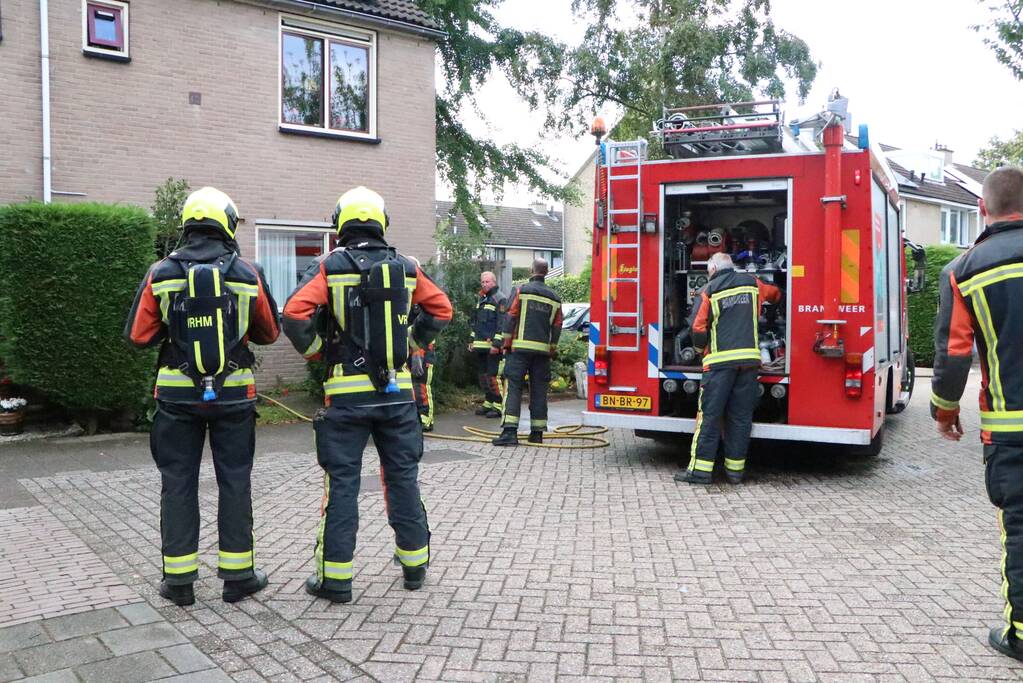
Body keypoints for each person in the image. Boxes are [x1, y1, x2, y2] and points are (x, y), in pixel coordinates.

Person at [282, 186, 452, 604]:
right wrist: (410, 345)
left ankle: (335, 580)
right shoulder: (407, 267)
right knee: (403, 479)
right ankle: (414, 566)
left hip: (345, 398)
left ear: (341, 223)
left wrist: (319, 352)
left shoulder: (329, 266)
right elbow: (442, 309)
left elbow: (293, 314)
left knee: (342, 485)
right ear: (381, 222)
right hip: (397, 398)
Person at [125, 186, 280, 606]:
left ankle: (179, 583)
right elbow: (269, 333)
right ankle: (238, 577)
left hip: (176, 396)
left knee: (177, 483)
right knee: (234, 481)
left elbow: (138, 336)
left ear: (188, 225)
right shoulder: (248, 273)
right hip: (233, 394)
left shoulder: (161, 272)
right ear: (227, 223)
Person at [930, 166, 1023, 660]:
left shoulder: (965, 269)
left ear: (982, 209)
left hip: (1013, 433)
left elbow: (953, 353)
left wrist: (945, 411)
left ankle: (1021, 635)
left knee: (1021, 527)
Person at [676, 252, 781, 485]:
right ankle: (735, 472)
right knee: (741, 417)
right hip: (750, 363)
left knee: (710, 417)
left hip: (719, 364)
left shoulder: (709, 290)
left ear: (712, 269)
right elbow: (775, 294)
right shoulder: (753, 283)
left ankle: (700, 471)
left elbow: (698, 328)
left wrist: (699, 349)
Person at [492, 259, 562, 446]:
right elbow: (557, 326)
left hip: (519, 351)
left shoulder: (520, 290)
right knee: (539, 390)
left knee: (513, 387)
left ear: (531, 270)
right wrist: (552, 348)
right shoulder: (554, 297)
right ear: (546, 272)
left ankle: (509, 433)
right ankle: (537, 433)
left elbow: (511, 316)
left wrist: (506, 344)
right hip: (542, 354)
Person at [469, 271, 506, 418]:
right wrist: (471, 340)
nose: (484, 284)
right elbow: (475, 322)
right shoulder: (482, 299)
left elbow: (502, 324)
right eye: (482, 282)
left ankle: (498, 405)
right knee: (483, 376)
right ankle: (489, 401)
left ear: (494, 282)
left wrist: (497, 344)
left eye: (487, 282)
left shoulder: (500, 299)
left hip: (492, 347)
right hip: (480, 345)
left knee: (492, 376)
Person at [409, 305, 437, 432]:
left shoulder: (427, 314)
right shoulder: (409, 311)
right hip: (411, 354)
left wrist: (418, 354)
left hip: (425, 355)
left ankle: (426, 418)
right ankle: (418, 417)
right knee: (414, 387)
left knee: (422, 386)